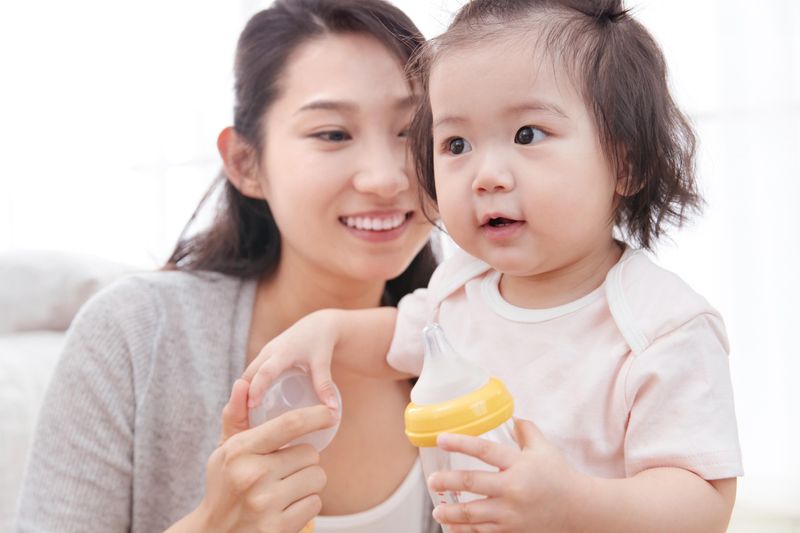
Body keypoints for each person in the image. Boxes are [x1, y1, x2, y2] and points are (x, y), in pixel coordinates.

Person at [243, 0, 744, 531]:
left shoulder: (661, 327)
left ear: (626, 160)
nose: (486, 176)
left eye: (527, 134)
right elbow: (408, 337)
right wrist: (331, 331)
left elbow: (704, 502)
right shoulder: (463, 285)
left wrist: (575, 503)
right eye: (456, 144)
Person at [14, 1, 440, 532]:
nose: (386, 178)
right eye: (333, 134)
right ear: (245, 163)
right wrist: (213, 523)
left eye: (412, 130)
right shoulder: (135, 335)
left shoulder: (469, 339)